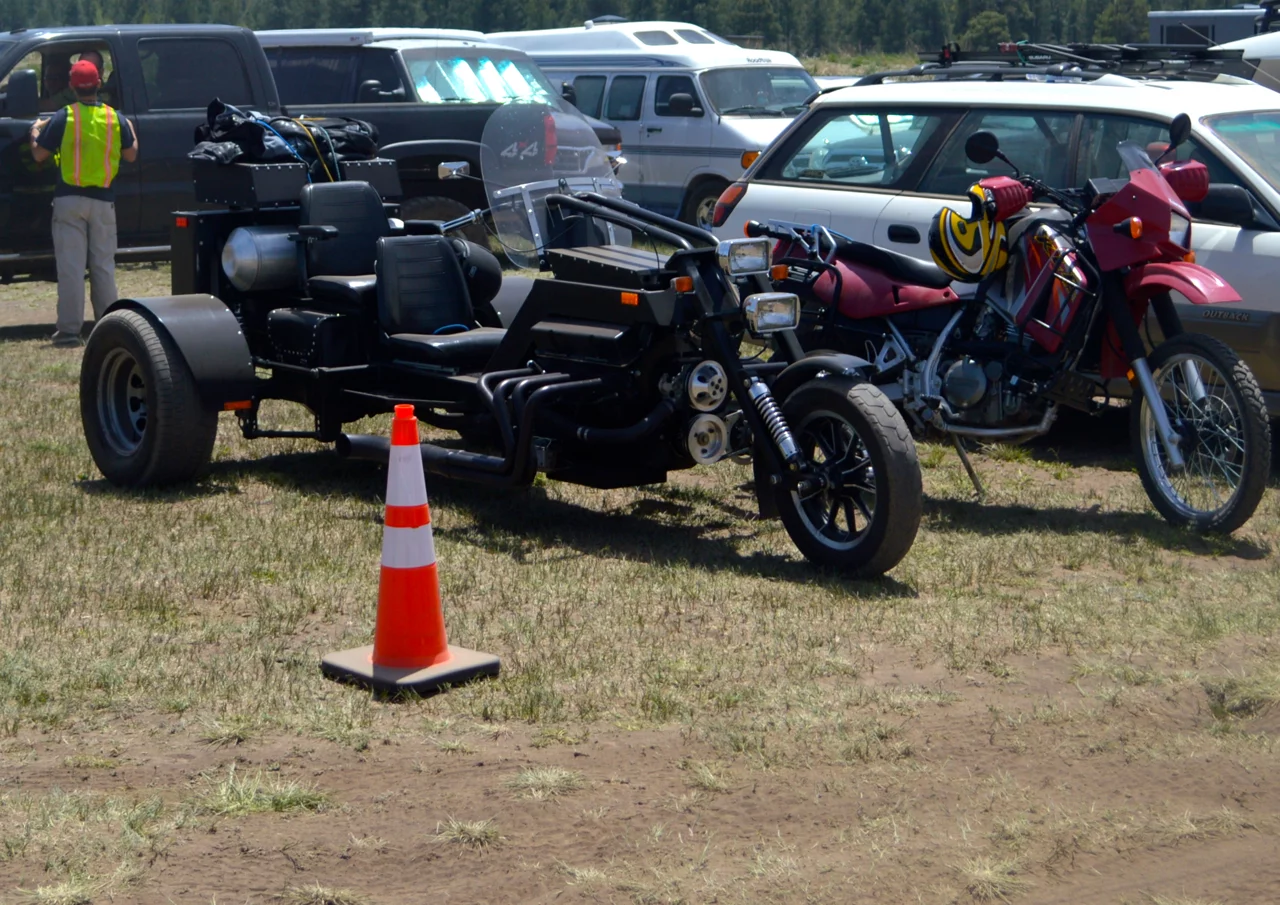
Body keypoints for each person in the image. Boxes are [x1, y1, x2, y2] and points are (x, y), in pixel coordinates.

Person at [29, 59, 138, 347]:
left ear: (72, 86)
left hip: (69, 200)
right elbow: (131, 154)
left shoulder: (65, 116)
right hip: (103, 202)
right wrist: (129, 127)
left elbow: (40, 155)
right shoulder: (115, 118)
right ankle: (109, 328)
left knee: (71, 268)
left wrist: (35, 132)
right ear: (98, 84)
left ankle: (68, 332)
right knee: (103, 267)